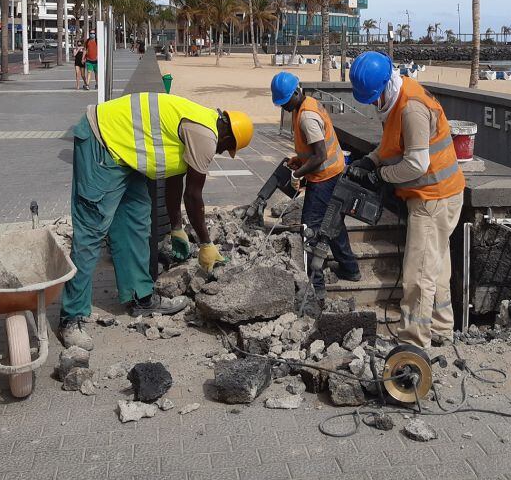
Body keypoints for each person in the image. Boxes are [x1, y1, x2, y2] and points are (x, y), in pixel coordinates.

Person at [58, 90, 255, 350]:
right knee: (91, 230)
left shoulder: (199, 125)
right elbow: (193, 197)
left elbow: (175, 181)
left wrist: (177, 228)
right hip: (102, 141)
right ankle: (71, 318)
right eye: (225, 148)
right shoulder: (206, 136)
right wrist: (206, 244)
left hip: (127, 155)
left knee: (136, 223)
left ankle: (139, 297)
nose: (220, 152)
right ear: (227, 134)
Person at [348, 51, 465, 349]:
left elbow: (416, 164)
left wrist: (382, 176)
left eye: (374, 98)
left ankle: (414, 342)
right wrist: (371, 161)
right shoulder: (397, 97)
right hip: (441, 194)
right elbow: (393, 144)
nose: (374, 104)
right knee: (436, 267)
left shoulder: (411, 108)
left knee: (418, 276)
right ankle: (440, 328)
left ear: (385, 86)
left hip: (433, 198)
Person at [270, 71, 361, 297]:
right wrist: (299, 160)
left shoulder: (306, 116)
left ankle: (315, 284)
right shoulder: (304, 105)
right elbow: (312, 150)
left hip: (325, 176)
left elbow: (319, 155)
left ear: (295, 92)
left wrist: (298, 174)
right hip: (332, 171)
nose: (284, 107)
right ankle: (350, 268)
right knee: (334, 222)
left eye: (285, 102)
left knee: (309, 227)